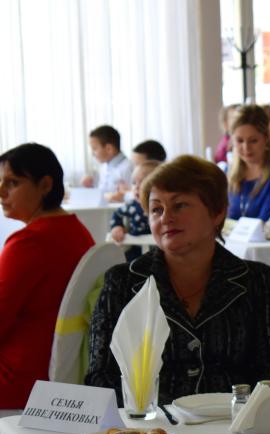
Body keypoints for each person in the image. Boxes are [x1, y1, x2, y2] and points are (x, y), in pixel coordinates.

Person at [85, 155, 270, 403]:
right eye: (156, 209)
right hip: (152, 424)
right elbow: (100, 378)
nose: (166, 218)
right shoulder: (123, 283)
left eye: (180, 205)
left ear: (217, 212)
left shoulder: (256, 282)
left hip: (238, 422)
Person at [0, 143, 94, 411]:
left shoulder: (29, 242)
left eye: (12, 183)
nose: (1, 191)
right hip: (58, 371)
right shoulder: (76, 230)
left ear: (45, 185)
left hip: (17, 378)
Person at [109, 160, 159, 262]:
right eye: (134, 182)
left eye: (143, 182)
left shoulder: (162, 206)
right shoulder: (132, 206)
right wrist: (117, 227)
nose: (137, 186)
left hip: (159, 251)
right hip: (135, 251)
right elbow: (117, 214)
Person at [81, 125, 132, 202]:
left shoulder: (128, 167)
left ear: (109, 149)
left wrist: (124, 196)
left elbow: (133, 197)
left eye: (94, 149)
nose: (92, 154)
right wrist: (91, 185)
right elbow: (104, 192)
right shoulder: (104, 166)